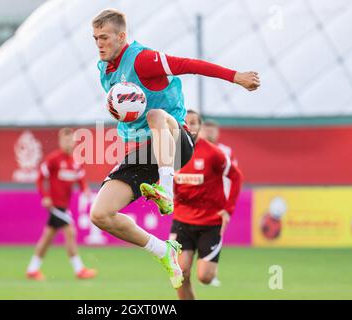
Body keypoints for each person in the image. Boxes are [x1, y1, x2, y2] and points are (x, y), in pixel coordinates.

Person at [89, 8, 259, 289]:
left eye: (104, 37)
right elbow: (128, 115)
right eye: (95, 38)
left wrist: (236, 76)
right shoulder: (104, 70)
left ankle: (166, 189)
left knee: (156, 115)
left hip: (177, 141)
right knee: (100, 214)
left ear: (121, 36)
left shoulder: (143, 59)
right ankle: (162, 251)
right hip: (143, 155)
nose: (99, 44)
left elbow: (190, 64)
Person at [171, 110, 243, 300]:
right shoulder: (170, 151)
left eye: (194, 123)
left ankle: (208, 271)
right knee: (179, 274)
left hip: (210, 223)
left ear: (199, 127)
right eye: (186, 122)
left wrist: (228, 210)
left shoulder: (213, 153)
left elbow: (236, 176)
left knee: (205, 276)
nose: (190, 126)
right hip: (181, 221)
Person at [26, 128, 97, 281]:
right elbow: (40, 178)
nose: (68, 143)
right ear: (60, 141)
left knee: (46, 238)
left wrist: (85, 190)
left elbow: (81, 179)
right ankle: (79, 270)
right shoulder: (53, 159)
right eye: (65, 140)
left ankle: (32, 269)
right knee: (70, 232)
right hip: (55, 206)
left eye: (71, 140)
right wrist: (45, 196)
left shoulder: (76, 162)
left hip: (64, 206)